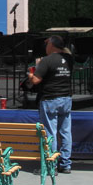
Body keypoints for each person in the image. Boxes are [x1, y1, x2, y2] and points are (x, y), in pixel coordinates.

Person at [26, 35, 73, 174]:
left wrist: (31, 73)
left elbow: (35, 80)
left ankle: (50, 165)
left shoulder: (47, 60)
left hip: (50, 98)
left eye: (47, 45)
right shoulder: (69, 59)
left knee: (50, 132)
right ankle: (65, 163)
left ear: (51, 45)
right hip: (66, 98)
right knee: (65, 131)